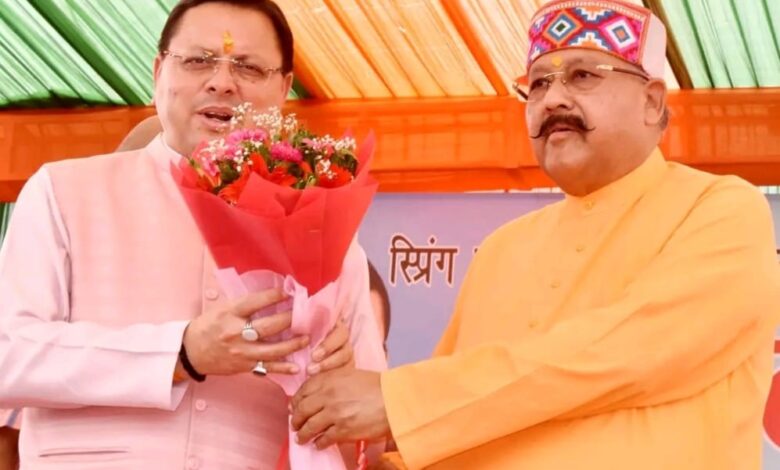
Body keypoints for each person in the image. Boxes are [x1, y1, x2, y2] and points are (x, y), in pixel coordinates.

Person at [288, 1, 780, 469]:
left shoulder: (719, 210)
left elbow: (628, 353)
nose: (553, 99)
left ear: (651, 102)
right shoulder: (502, 248)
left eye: (583, 75)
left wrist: (399, 402)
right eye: (539, 84)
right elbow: (449, 422)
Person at [0, 1, 385, 468]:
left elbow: (371, 440)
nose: (222, 82)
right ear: (158, 72)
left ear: (283, 89)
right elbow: (8, 355)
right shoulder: (64, 191)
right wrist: (181, 353)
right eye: (199, 60)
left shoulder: (326, 234)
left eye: (249, 67)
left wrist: (336, 387)